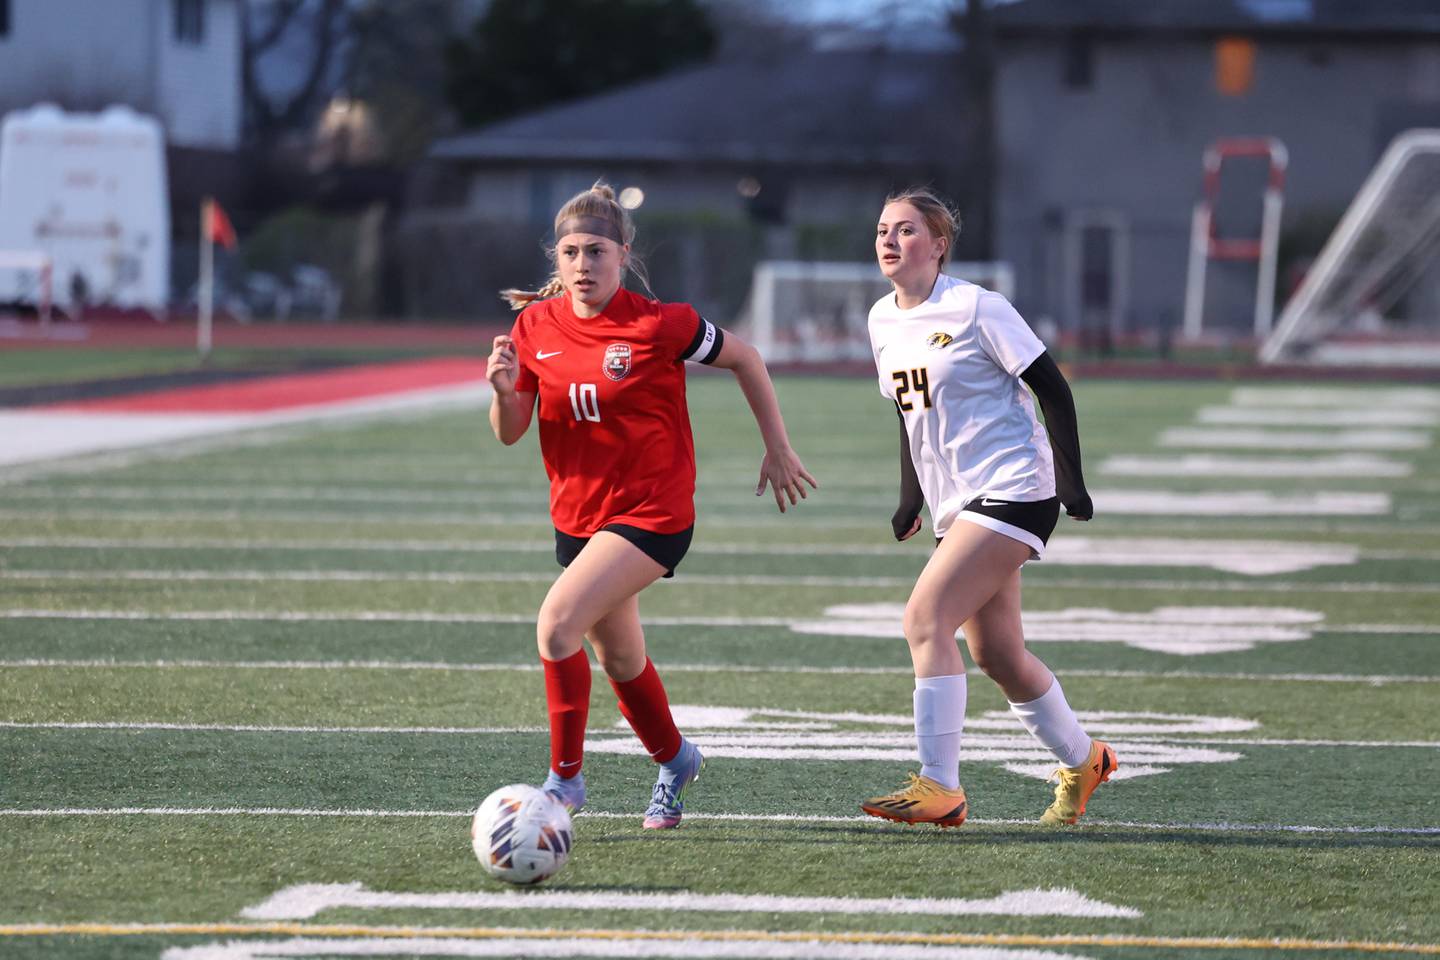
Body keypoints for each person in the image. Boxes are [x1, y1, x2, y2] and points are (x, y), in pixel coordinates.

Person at [486, 182, 817, 830]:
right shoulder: (532, 327)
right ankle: (676, 760)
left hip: (652, 512)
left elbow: (746, 358)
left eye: (597, 252)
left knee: (556, 625)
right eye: (572, 252)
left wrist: (777, 447)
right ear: (556, 257)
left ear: (624, 253)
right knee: (620, 660)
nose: (583, 265)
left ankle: (565, 781)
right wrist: (502, 393)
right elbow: (511, 430)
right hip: (578, 516)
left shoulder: (659, 324)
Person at [859, 188, 1116, 828]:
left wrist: (1071, 482)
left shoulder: (978, 308)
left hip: (1016, 488)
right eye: (884, 229)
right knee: (998, 654)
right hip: (959, 503)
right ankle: (1086, 761)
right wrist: (909, 495)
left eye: (907, 230)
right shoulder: (881, 319)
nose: (890, 240)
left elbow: (1053, 390)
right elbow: (908, 410)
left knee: (925, 619)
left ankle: (939, 785)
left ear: (939, 245)